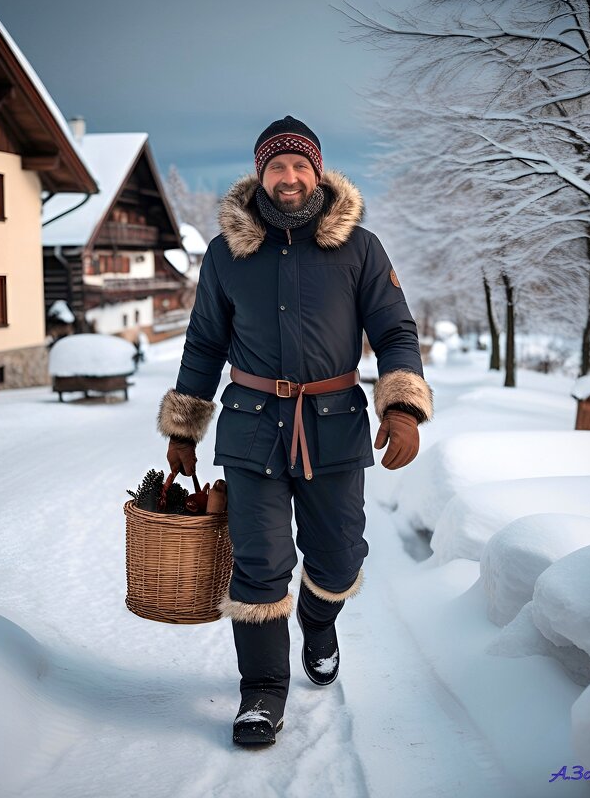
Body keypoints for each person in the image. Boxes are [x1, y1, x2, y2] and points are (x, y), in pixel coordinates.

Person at [158, 116, 433, 746]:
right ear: (261, 174)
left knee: (339, 557)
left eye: (299, 166)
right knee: (258, 562)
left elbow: (394, 331)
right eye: (276, 166)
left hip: (333, 424)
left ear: (318, 172)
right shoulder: (228, 254)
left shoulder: (360, 248)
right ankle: (261, 693)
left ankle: (317, 618)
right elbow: (203, 343)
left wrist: (402, 408)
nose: (288, 177)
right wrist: (184, 427)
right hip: (252, 427)